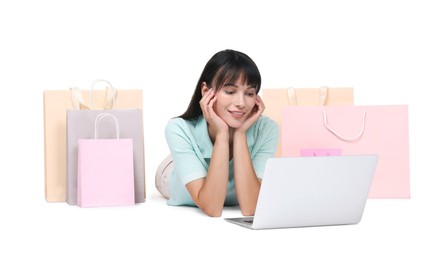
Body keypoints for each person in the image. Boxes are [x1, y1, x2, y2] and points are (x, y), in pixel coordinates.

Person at [156, 49, 278, 217]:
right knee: (178, 165)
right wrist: (222, 134)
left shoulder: (267, 129)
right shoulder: (178, 128)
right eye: (230, 91)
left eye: (249, 93)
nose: (241, 103)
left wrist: (240, 134)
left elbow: (251, 207)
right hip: (170, 175)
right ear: (206, 91)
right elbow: (212, 208)